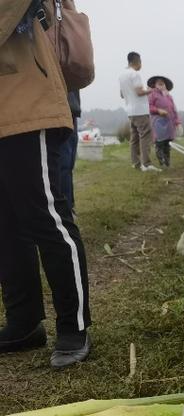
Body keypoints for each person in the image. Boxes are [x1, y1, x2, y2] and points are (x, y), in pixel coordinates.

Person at [0, 0, 92, 368]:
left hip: (27, 102)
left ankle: (74, 325)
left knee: (46, 216)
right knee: (6, 225)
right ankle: (23, 323)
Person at [119, 51, 159, 172]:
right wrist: (150, 90)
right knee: (145, 135)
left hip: (130, 111)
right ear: (137, 61)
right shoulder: (135, 74)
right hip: (140, 110)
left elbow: (122, 94)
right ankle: (147, 164)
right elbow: (139, 92)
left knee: (134, 137)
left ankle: (136, 163)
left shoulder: (122, 75)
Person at [147, 75, 181, 168]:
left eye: (163, 82)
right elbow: (149, 107)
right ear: (155, 84)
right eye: (159, 82)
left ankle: (167, 162)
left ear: (165, 85)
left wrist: (178, 122)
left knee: (167, 143)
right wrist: (158, 110)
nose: (161, 83)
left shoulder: (169, 96)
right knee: (160, 142)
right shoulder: (152, 94)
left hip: (169, 122)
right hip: (158, 122)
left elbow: (174, 110)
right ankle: (161, 161)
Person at [59, 90, 81, 212]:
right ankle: (64, 208)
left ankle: (68, 206)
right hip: (58, 109)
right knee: (64, 165)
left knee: (68, 166)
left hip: (71, 110)